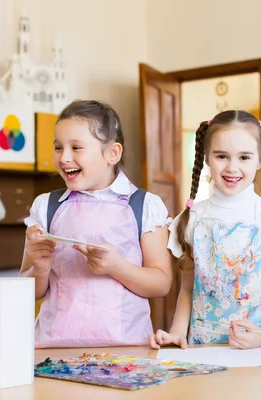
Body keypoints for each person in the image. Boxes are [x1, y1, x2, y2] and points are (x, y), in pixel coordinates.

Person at [148, 110, 261, 350]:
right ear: (207, 158)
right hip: (203, 351)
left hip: (258, 352)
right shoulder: (192, 219)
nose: (232, 167)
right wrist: (177, 332)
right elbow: (188, 290)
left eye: (244, 157)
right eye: (221, 156)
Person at [21, 100, 173, 348]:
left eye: (76, 147)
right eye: (58, 147)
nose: (64, 157)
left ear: (112, 153)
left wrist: (117, 267)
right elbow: (28, 292)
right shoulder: (45, 206)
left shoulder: (145, 205)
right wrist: (39, 267)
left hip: (128, 349)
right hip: (52, 350)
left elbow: (161, 283)